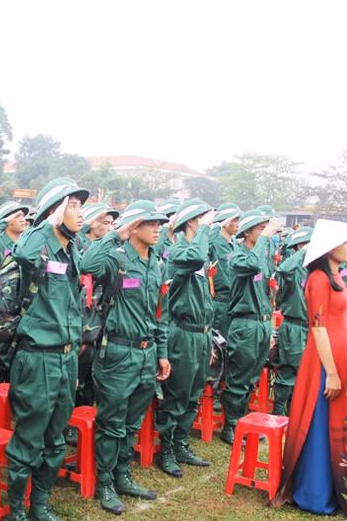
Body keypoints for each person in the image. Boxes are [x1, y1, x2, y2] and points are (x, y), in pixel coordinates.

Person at [271, 220, 347, 517]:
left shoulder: (338, 275)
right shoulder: (317, 278)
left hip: (342, 356)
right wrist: (334, 372)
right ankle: (315, 494)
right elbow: (318, 328)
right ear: (329, 247)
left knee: (339, 427)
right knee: (319, 424)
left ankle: (339, 490)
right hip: (324, 362)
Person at [5, 177, 89, 521]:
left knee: (55, 437)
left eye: (81, 205)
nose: (80, 213)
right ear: (56, 211)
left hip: (66, 357)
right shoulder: (37, 249)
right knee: (29, 437)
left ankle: (40, 503)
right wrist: (46, 223)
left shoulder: (71, 250)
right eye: (73, 205)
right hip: (38, 357)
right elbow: (22, 253)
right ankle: (17, 509)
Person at [81, 200, 171, 514]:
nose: (158, 228)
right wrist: (115, 235)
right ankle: (105, 482)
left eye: (160, 223)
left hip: (146, 354)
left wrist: (162, 353)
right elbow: (86, 264)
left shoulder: (157, 263)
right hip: (116, 353)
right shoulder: (116, 259)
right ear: (134, 227)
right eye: (152, 223)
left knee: (132, 423)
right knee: (112, 424)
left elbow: (160, 313)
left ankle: (122, 474)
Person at [156, 199, 216, 477]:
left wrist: (210, 337)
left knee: (193, 394)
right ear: (192, 221)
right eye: (203, 218)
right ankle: (166, 450)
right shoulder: (179, 251)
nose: (209, 222)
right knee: (176, 396)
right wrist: (204, 231)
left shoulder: (199, 250)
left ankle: (181, 443)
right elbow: (196, 258)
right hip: (182, 334)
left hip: (200, 336)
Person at [219, 209, 280, 444]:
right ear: (247, 232)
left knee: (251, 377)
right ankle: (231, 426)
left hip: (261, 324)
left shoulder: (260, 254)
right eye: (260, 228)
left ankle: (242, 421)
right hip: (244, 324)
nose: (264, 233)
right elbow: (252, 265)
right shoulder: (238, 256)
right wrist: (265, 239)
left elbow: (267, 293)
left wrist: (269, 327)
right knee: (238, 378)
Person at [273, 227, 312, 416]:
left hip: (311, 326)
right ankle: (279, 408)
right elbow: (284, 269)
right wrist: (302, 250)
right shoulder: (293, 266)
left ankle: (294, 405)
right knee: (289, 368)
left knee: (305, 370)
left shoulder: (312, 268)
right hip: (294, 325)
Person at [208, 203, 241, 340]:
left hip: (235, 303)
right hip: (220, 303)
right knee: (219, 343)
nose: (238, 224)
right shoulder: (214, 242)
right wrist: (218, 225)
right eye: (234, 220)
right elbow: (204, 247)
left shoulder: (236, 245)